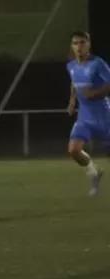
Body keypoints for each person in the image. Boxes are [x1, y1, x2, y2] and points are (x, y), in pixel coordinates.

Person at [67, 30, 107, 196]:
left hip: (104, 116)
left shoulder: (98, 64)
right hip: (84, 117)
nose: (79, 46)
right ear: (72, 46)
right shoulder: (71, 66)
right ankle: (93, 173)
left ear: (89, 44)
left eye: (82, 42)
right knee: (73, 150)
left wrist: (94, 92)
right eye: (75, 43)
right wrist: (72, 101)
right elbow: (74, 82)